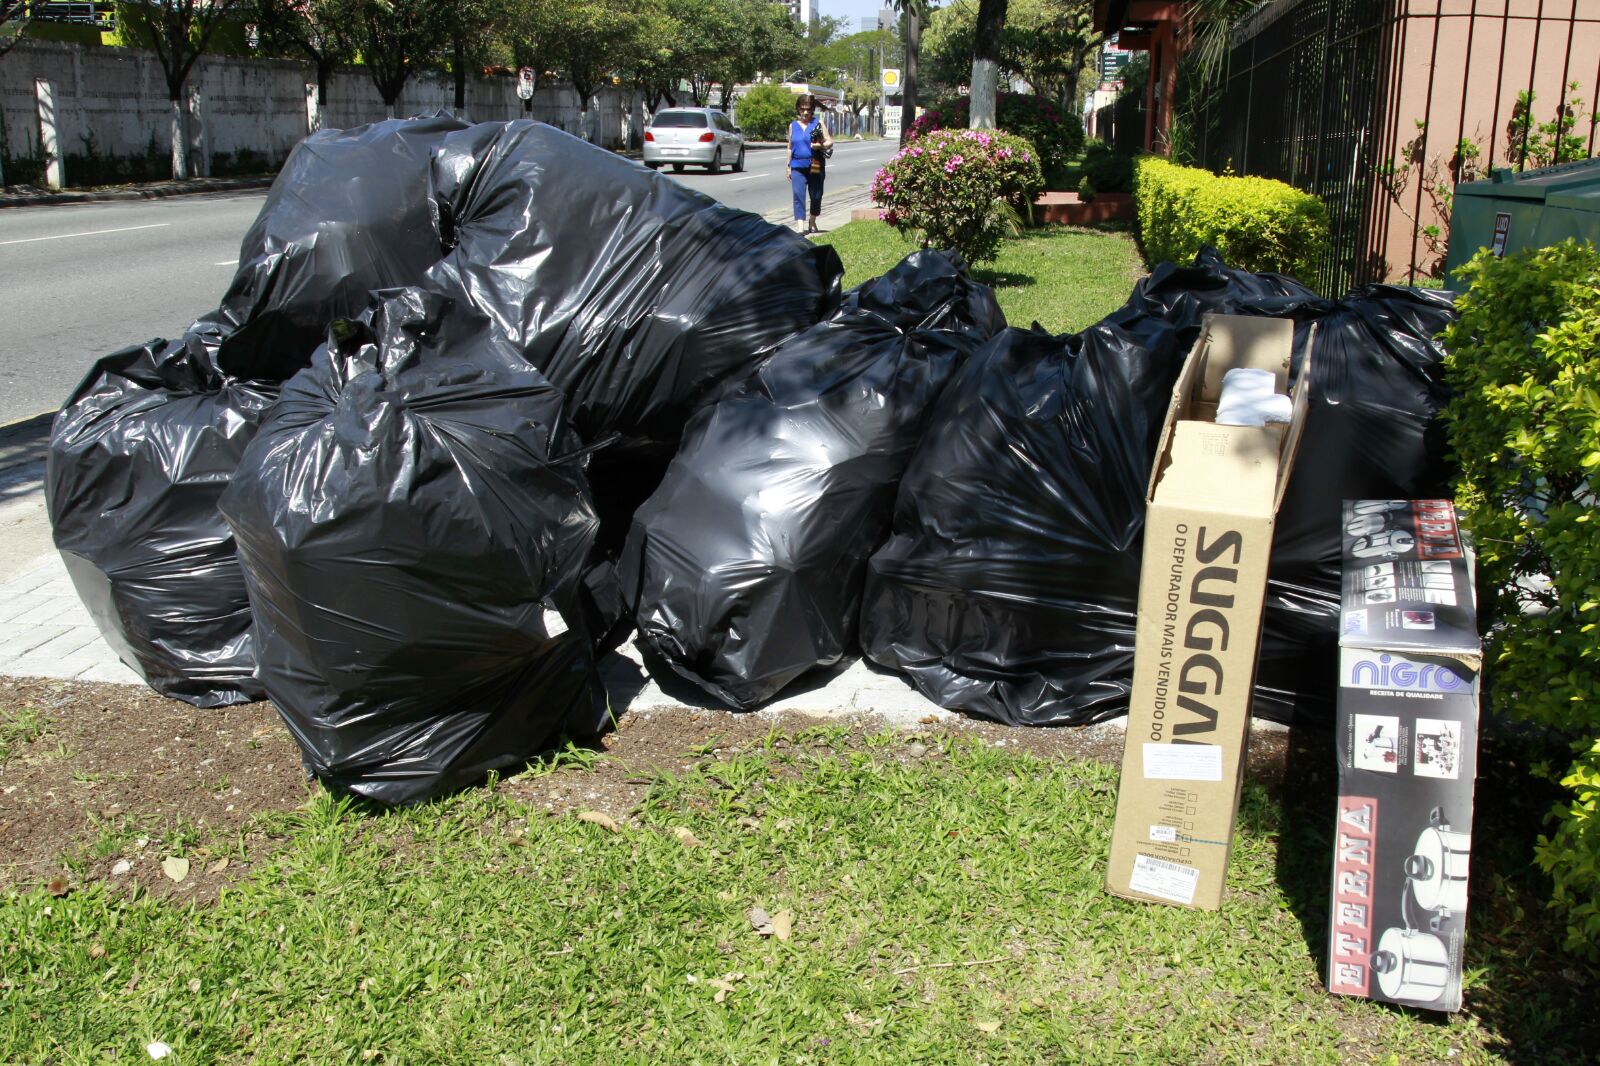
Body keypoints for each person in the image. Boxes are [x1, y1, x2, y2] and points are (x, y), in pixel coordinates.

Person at [787, 95, 833, 235]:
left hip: (815, 164)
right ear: (798, 110)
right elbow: (790, 147)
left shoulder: (818, 123)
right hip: (797, 165)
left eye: (808, 109)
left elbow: (829, 142)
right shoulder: (793, 126)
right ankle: (800, 226)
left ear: (812, 110)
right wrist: (788, 166)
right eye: (802, 109)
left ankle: (812, 221)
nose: (805, 112)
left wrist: (819, 145)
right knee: (798, 194)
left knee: (816, 195)